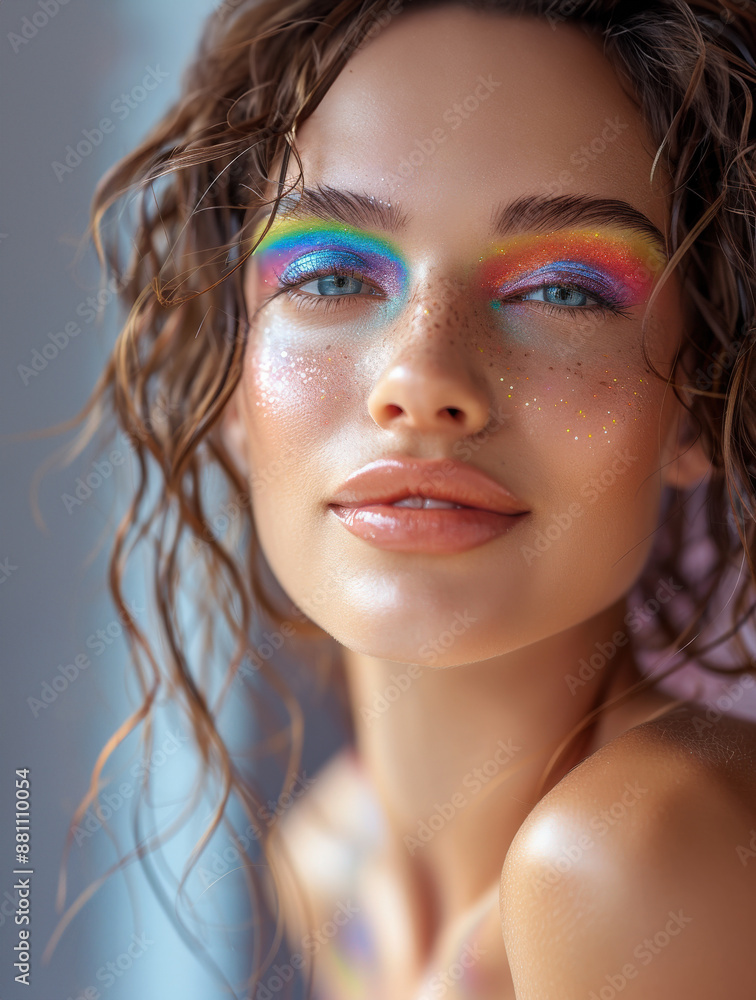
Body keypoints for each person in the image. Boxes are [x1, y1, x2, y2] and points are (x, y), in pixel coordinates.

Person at [50, 0, 756, 996]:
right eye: (332, 274)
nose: (422, 380)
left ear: (700, 404)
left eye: (564, 289)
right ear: (229, 381)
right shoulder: (333, 869)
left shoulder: (635, 861)